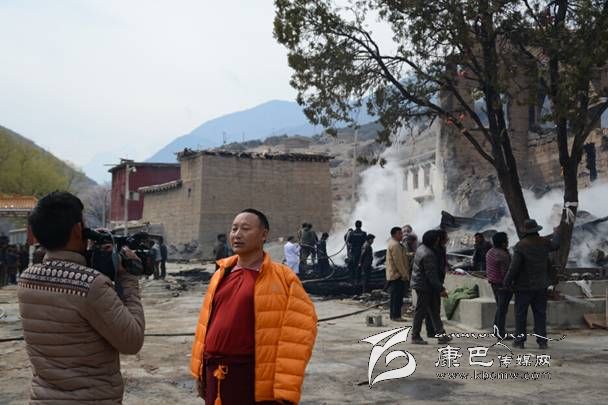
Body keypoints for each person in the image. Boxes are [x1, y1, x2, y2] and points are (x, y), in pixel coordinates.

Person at [17, 191, 144, 403]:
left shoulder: (26, 280)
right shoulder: (91, 285)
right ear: (77, 229)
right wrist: (129, 277)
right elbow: (132, 341)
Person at [191, 209, 317, 404]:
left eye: (245, 228)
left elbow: (300, 332)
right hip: (214, 372)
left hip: (252, 376)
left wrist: (285, 387)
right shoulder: (221, 274)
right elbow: (204, 325)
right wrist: (199, 370)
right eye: (234, 229)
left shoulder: (283, 278)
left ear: (263, 234)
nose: (237, 234)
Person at [504, 219, 559, 349]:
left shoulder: (521, 245)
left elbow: (514, 267)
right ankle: (542, 341)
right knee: (540, 314)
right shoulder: (545, 242)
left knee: (521, 314)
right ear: (536, 230)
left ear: (525, 231)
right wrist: (557, 233)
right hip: (541, 285)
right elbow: (556, 245)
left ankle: (520, 341)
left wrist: (507, 281)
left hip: (523, 286)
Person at [410, 230, 451, 345]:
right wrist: (441, 289)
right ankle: (415, 336)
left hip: (425, 284)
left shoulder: (422, 248)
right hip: (424, 286)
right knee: (421, 311)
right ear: (435, 240)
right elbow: (431, 275)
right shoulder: (428, 254)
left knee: (434, 310)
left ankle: (441, 334)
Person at [486, 232, 512, 339]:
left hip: (494, 283)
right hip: (502, 285)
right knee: (502, 309)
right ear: (503, 243)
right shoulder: (502, 255)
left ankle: (497, 330)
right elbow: (506, 272)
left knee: (500, 307)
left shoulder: (490, 252)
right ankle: (500, 332)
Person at [386, 227, 409, 321]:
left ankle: (394, 315)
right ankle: (396, 316)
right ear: (394, 234)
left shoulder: (395, 243)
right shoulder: (395, 245)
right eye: (400, 233)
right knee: (397, 297)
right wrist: (404, 274)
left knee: (395, 297)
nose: (402, 235)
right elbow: (398, 262)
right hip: (397, 275)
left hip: (395, 274)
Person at [346, 220, 367, 284]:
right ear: (361, 225)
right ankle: (358, 280)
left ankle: (352, 280)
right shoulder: (364, 233)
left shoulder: (351, 233)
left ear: (355, 225)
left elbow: (348, 242)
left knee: (353, 266)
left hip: (353, 252)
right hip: (361, 252)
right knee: (360, 266)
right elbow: (365, 243)